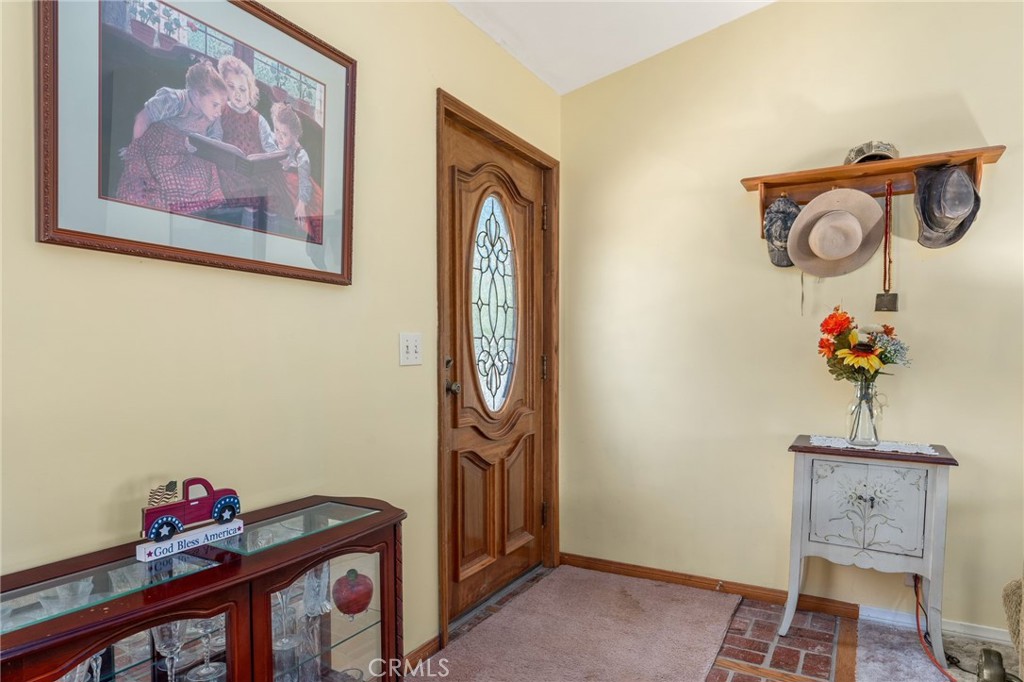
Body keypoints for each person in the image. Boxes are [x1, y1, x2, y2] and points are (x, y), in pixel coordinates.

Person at [116, 61, 227, 214]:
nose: (219, 111)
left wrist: (202, 146)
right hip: (161, 149)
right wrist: (136, 149)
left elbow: (216, 137)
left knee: (206, 177)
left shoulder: (213, 116)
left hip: (191, 153)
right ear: (196, 95)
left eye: (221, 106)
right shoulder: (174, 100)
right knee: (165, 184)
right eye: (215, 104)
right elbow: (143, 119)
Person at [271, 102, 323, 243]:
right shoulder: (274, 142)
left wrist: (301, 204)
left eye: (284, 134)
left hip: (301, 193)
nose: (279, 136)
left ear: (295, 136)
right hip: (284, 188)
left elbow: (305, 183)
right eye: (276, 130)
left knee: (307, 221)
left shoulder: (301, 155)